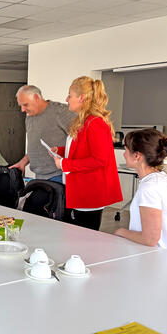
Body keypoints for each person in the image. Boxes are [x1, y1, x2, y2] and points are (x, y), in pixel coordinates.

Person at [51, 76, 122, 231]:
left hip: (89, 193)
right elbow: (83, 149)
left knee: (84, 236)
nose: (66, 99)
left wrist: (64, 163)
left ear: (81, 98)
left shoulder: (95, 123)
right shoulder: (84, 120)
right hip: (78, 190)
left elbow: (100, 159)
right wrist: (61, 151)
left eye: (70, 95)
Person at [115, 129, 167, 251]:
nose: (124, 154)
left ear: (137, 155)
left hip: (154, 259)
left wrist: (121, 232)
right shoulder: (161, 178)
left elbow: (150, 239)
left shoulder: (149, 188)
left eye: (126, 150)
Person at [9, 85, 76, 182]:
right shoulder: (30, 117)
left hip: (59, 175)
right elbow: (36, 145)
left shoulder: (61, 112)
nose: (22, 110)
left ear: (36, 98)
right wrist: (23, 162)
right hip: (39, 176)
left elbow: (82, 141)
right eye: (21, 106)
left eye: (25, 105)